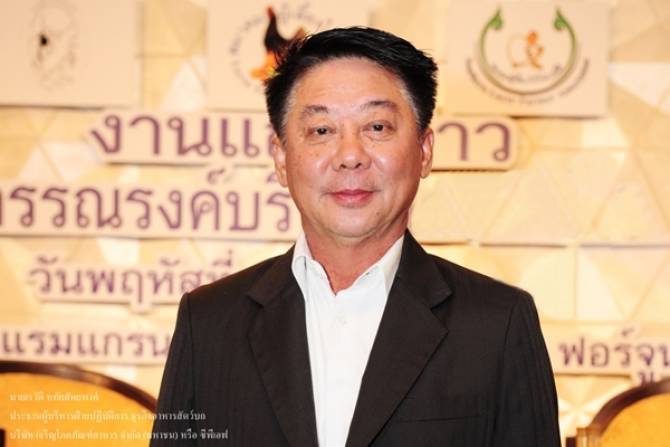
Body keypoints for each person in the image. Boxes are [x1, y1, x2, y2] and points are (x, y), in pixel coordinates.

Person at [151, 27, 561, 447]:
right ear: (281, 157)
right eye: (321, 130)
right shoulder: (208, 323)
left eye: (377, 126)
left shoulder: (498, 325)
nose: (350, 156)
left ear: (424, 151)